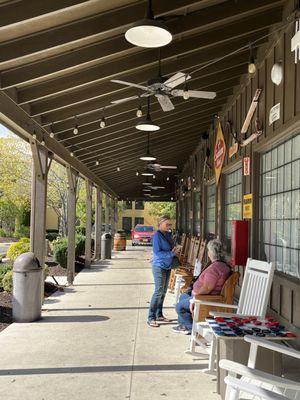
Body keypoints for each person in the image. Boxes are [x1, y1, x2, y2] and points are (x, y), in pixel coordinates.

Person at [172, 239, 231, 334]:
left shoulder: (215, 269)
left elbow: (207, 288)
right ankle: (183, 324)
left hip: (205, 299)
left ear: (211, 252)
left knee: (179, 307)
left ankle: (190, 327)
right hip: (204, 295)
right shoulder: (222, 265)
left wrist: (194, 299)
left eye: (208, 250)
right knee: (183, 296)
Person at [147, 215, 180, 328]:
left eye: (170, 224)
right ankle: (151, 317)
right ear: (160, 224)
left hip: (167, 265)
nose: (169, 226)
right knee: (158, 291)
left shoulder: (167, 234)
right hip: (159, 266)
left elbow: (169, 248)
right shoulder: (156, 236)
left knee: (164, 291)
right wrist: (172, 253)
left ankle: (159, 314)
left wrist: (175, 249)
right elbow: (157, 252)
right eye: (167, 224)